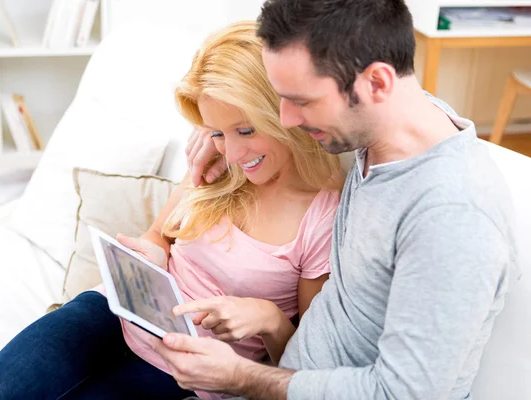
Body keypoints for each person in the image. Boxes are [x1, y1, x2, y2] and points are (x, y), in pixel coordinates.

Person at [0, 21, 343, 400]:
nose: (234, 152)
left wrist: (270, 320)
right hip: (112, 312)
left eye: (246, 130)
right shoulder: (218, 163)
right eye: (219, 132)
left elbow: (301, 365)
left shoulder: (321, 215)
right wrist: (153, 251)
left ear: (284, 110)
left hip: (179, 367)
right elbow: (159, 234)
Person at [151, 1, 520, 399]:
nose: (287, 119)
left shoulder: (454, 218)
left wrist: (240, 377)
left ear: (377, 84)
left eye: (302, 102)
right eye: (282, 98)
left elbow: (402, 394)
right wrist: (222, 136)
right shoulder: (386, 123)